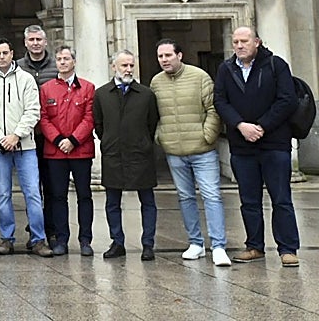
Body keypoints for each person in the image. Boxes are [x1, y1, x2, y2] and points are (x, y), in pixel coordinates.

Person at [214, 26, 301, 267]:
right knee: (249, 200)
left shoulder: (276, 65)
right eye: (235, 42)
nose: (239, 46)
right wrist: (240, 125)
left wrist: (261, 126)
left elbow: (287, 100)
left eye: (244, 41)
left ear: (257, 42)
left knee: (281, 198)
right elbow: (220, 100)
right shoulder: (226, 69)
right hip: (242, 146)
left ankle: (288, 249)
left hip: (274, 143)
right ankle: (254, 246)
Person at [150, 39, 229, 267]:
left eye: (168, 55)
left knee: (211, 196)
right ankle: (195, 243)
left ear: (179, 55)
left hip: (203, 150)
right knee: (185, 197)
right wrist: (161, 136)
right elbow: (153, 114)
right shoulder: (156, 82)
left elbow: (213, 109)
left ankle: (218, 246)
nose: (164, 60)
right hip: (174, 150)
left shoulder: (200, 77)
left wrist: (207, 136)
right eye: (160, 56)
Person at [0, 39, 52, 257]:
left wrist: (16, 135)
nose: (1, 57)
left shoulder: (26, 79)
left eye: (5, 52)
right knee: (3, 194)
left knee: (33, 193)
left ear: (12, 54)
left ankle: (38, 239)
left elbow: (33, 111)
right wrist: (1, 138)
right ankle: (7, 238)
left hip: (25, 146)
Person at [94, 49, 159, 262]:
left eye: (131, 65)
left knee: (147, 201)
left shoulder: (146, 94)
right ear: (114, 67)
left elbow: (151, 123)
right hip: (113, 154)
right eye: (124, 65)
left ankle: (148, 244)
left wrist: (143, 142)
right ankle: (117, 242)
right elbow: (99, 125)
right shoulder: (102, 94)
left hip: (140, 155)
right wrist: (109, 141)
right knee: (112, 202)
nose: (128, 69)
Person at [38, 45, 96, 257]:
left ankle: (85, 239)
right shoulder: (47, 89)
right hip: (55, 152)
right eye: (59, 59)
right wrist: (58, 139)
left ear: (74, 62)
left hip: (81, 151)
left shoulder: (88, 88)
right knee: (57, 196)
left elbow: (89, 117)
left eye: (66, 59)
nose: (62, 62)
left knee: (84, 195)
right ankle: (61, 239)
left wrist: (73, 140)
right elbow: (43, 118)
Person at [16, 24, 56, 247]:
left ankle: (50, 228)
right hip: (25, 136)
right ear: (25, 43)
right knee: (31, 187)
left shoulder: (56, 66)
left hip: (50, 136)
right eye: (31, 40)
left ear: (45, 41)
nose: (35, 43)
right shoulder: (18, 68)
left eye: (39, 39)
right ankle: (34, 226)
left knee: (51, 186)